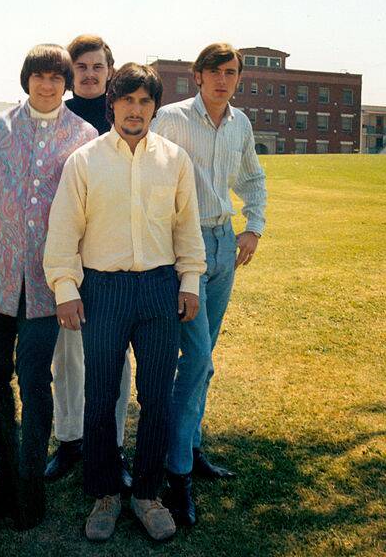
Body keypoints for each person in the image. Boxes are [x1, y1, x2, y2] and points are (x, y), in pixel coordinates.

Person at [44, 64, 206, 542]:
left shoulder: (174, 160)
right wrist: (66, 290)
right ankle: (105, 493)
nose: (135, 110)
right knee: (102, 395)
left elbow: (186, 228)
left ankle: (148, 494)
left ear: (155, 107)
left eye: (144, 102)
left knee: (157, 396)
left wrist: (190, 281)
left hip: (159, 290)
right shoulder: (86, 160)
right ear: (112, 103)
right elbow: (63, 232)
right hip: (103, 291)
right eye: (127, 100)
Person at [0, 44, 97, 531]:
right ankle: (5, 479)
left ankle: (31, 487)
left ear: (67, 83)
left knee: (36, 384)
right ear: (26, 79)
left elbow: (86, 215)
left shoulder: (84, 136)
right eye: (39, 76)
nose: (48, 85)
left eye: (57, 77)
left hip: (46, 287)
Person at [152, 42, 267, 527]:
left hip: (224, 243)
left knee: (205, 357)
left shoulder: (239, 124)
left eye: (231, 72)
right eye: (214, 72)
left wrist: (253, 226)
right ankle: (176, 476)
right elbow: (150, 183)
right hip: (185, 246)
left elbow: (253, 179)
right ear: (196, 76)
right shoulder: (172, 120)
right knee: (196, 358)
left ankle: (191, 446)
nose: (223, 79)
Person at [46, 34, 134, 485]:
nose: (89, 74)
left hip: (115, 252)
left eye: (97, 66)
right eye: (80, 67)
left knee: (116, 357)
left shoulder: (124, 116)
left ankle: (113, 447)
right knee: (70, 355)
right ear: (70, 73)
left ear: (109, 70)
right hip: (71, 252)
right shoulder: (58, 119)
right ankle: (69, 440)